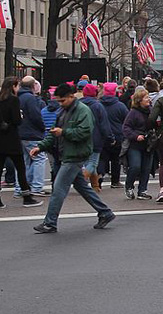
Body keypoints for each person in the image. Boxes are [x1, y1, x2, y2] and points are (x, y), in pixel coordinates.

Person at [31, 83, 114, 233]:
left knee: (58, 189)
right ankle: (105, 212)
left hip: (75, 155)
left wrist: (63, 132)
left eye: (62, 100)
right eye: (58, 101)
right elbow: (53, 133)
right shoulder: (63, 111)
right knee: (82, 187)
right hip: (68, 154)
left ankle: (50, 223)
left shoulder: (83, 111)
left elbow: (84, 132)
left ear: (71, 96)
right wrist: (41, 146)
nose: (60, 103)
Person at [0, 77, 43, 208]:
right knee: (21, 168)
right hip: (12, 138)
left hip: (1, 138)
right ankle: (27, 197)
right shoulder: (13, 100)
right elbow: (17, 120)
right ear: (13, 86)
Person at [17, 76, 48, 199]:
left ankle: (21, 188)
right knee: (39, 158)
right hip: (32, 133)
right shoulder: (30, 99)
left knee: (23, 162)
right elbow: (36, 116)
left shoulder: (17, 97)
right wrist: (42, 128)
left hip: (20, 133)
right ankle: (36, 187)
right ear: (33, 86)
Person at [78, 83, 112, 191]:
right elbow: (104, 125)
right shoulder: (98, 106)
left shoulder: (77, 105)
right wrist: (110, 137)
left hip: (80, 137)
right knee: (92, 163)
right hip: (95, 138)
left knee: (88, 162)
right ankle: (82, 180)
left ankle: (95, 186)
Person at [122, 88, 153, 200]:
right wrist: (136, 136)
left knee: (146, 168)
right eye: (146, 98)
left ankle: (142, 190)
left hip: (148, 144)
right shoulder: (133, 113)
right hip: (135, 144)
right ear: (139, 100)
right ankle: (129, 186)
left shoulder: (151, 111)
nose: (148, 99)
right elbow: (126, 128)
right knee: (135, 166)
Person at [99, 83, 128, 189]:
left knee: (102, 158)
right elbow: (126, 120)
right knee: (116, 160)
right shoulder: (120, 106)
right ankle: (115, 181)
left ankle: (100, 176)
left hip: (102, 136)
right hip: (117, 135)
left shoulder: (99, 105)